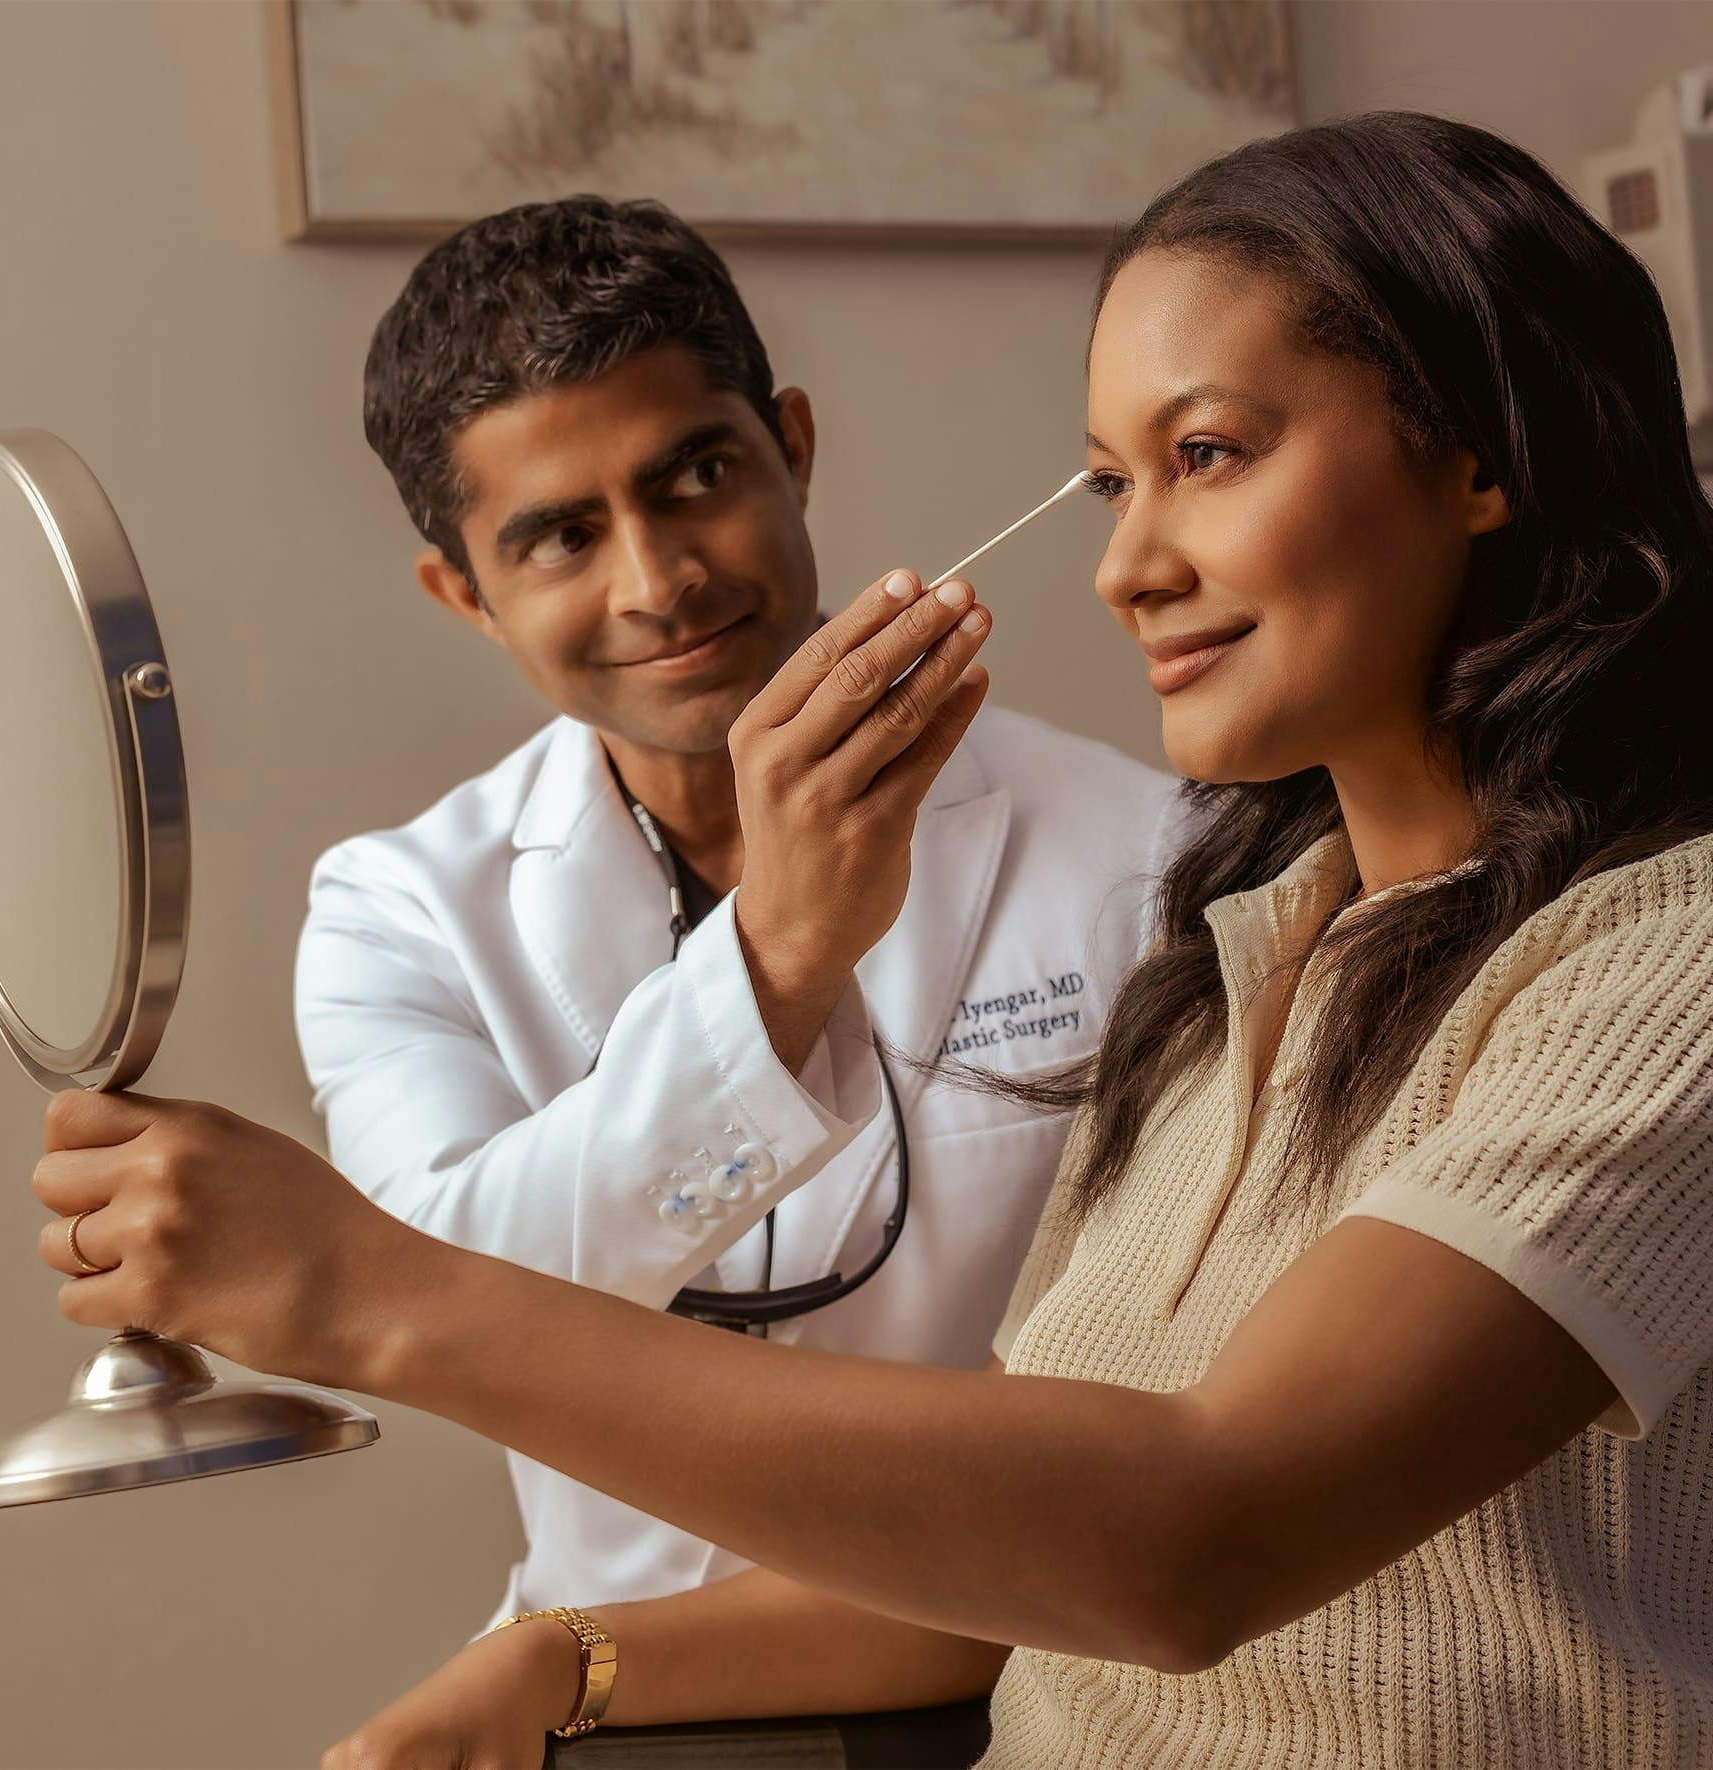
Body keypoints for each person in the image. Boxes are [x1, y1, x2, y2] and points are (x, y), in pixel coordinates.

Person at [34, 111, 1713, 1770]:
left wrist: (371, 1284)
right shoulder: (1244, 960)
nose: (1124, 567)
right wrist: (562, 1655)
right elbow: (1013, 1567)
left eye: (1204, 454)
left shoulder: (1631, 962)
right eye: (1111, 483)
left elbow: (1189, 1529)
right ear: (461, 592)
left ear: (1479, 453)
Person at [295, 198, 1176, 1656]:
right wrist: (778, 955)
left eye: (698, 476)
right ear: (466, 594)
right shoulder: (399, 915)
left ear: (795, 448)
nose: (660, 582)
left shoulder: (1146, 855)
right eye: (561, 537)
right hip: (596, 1681)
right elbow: (448, 1309)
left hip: (1045, 1678)